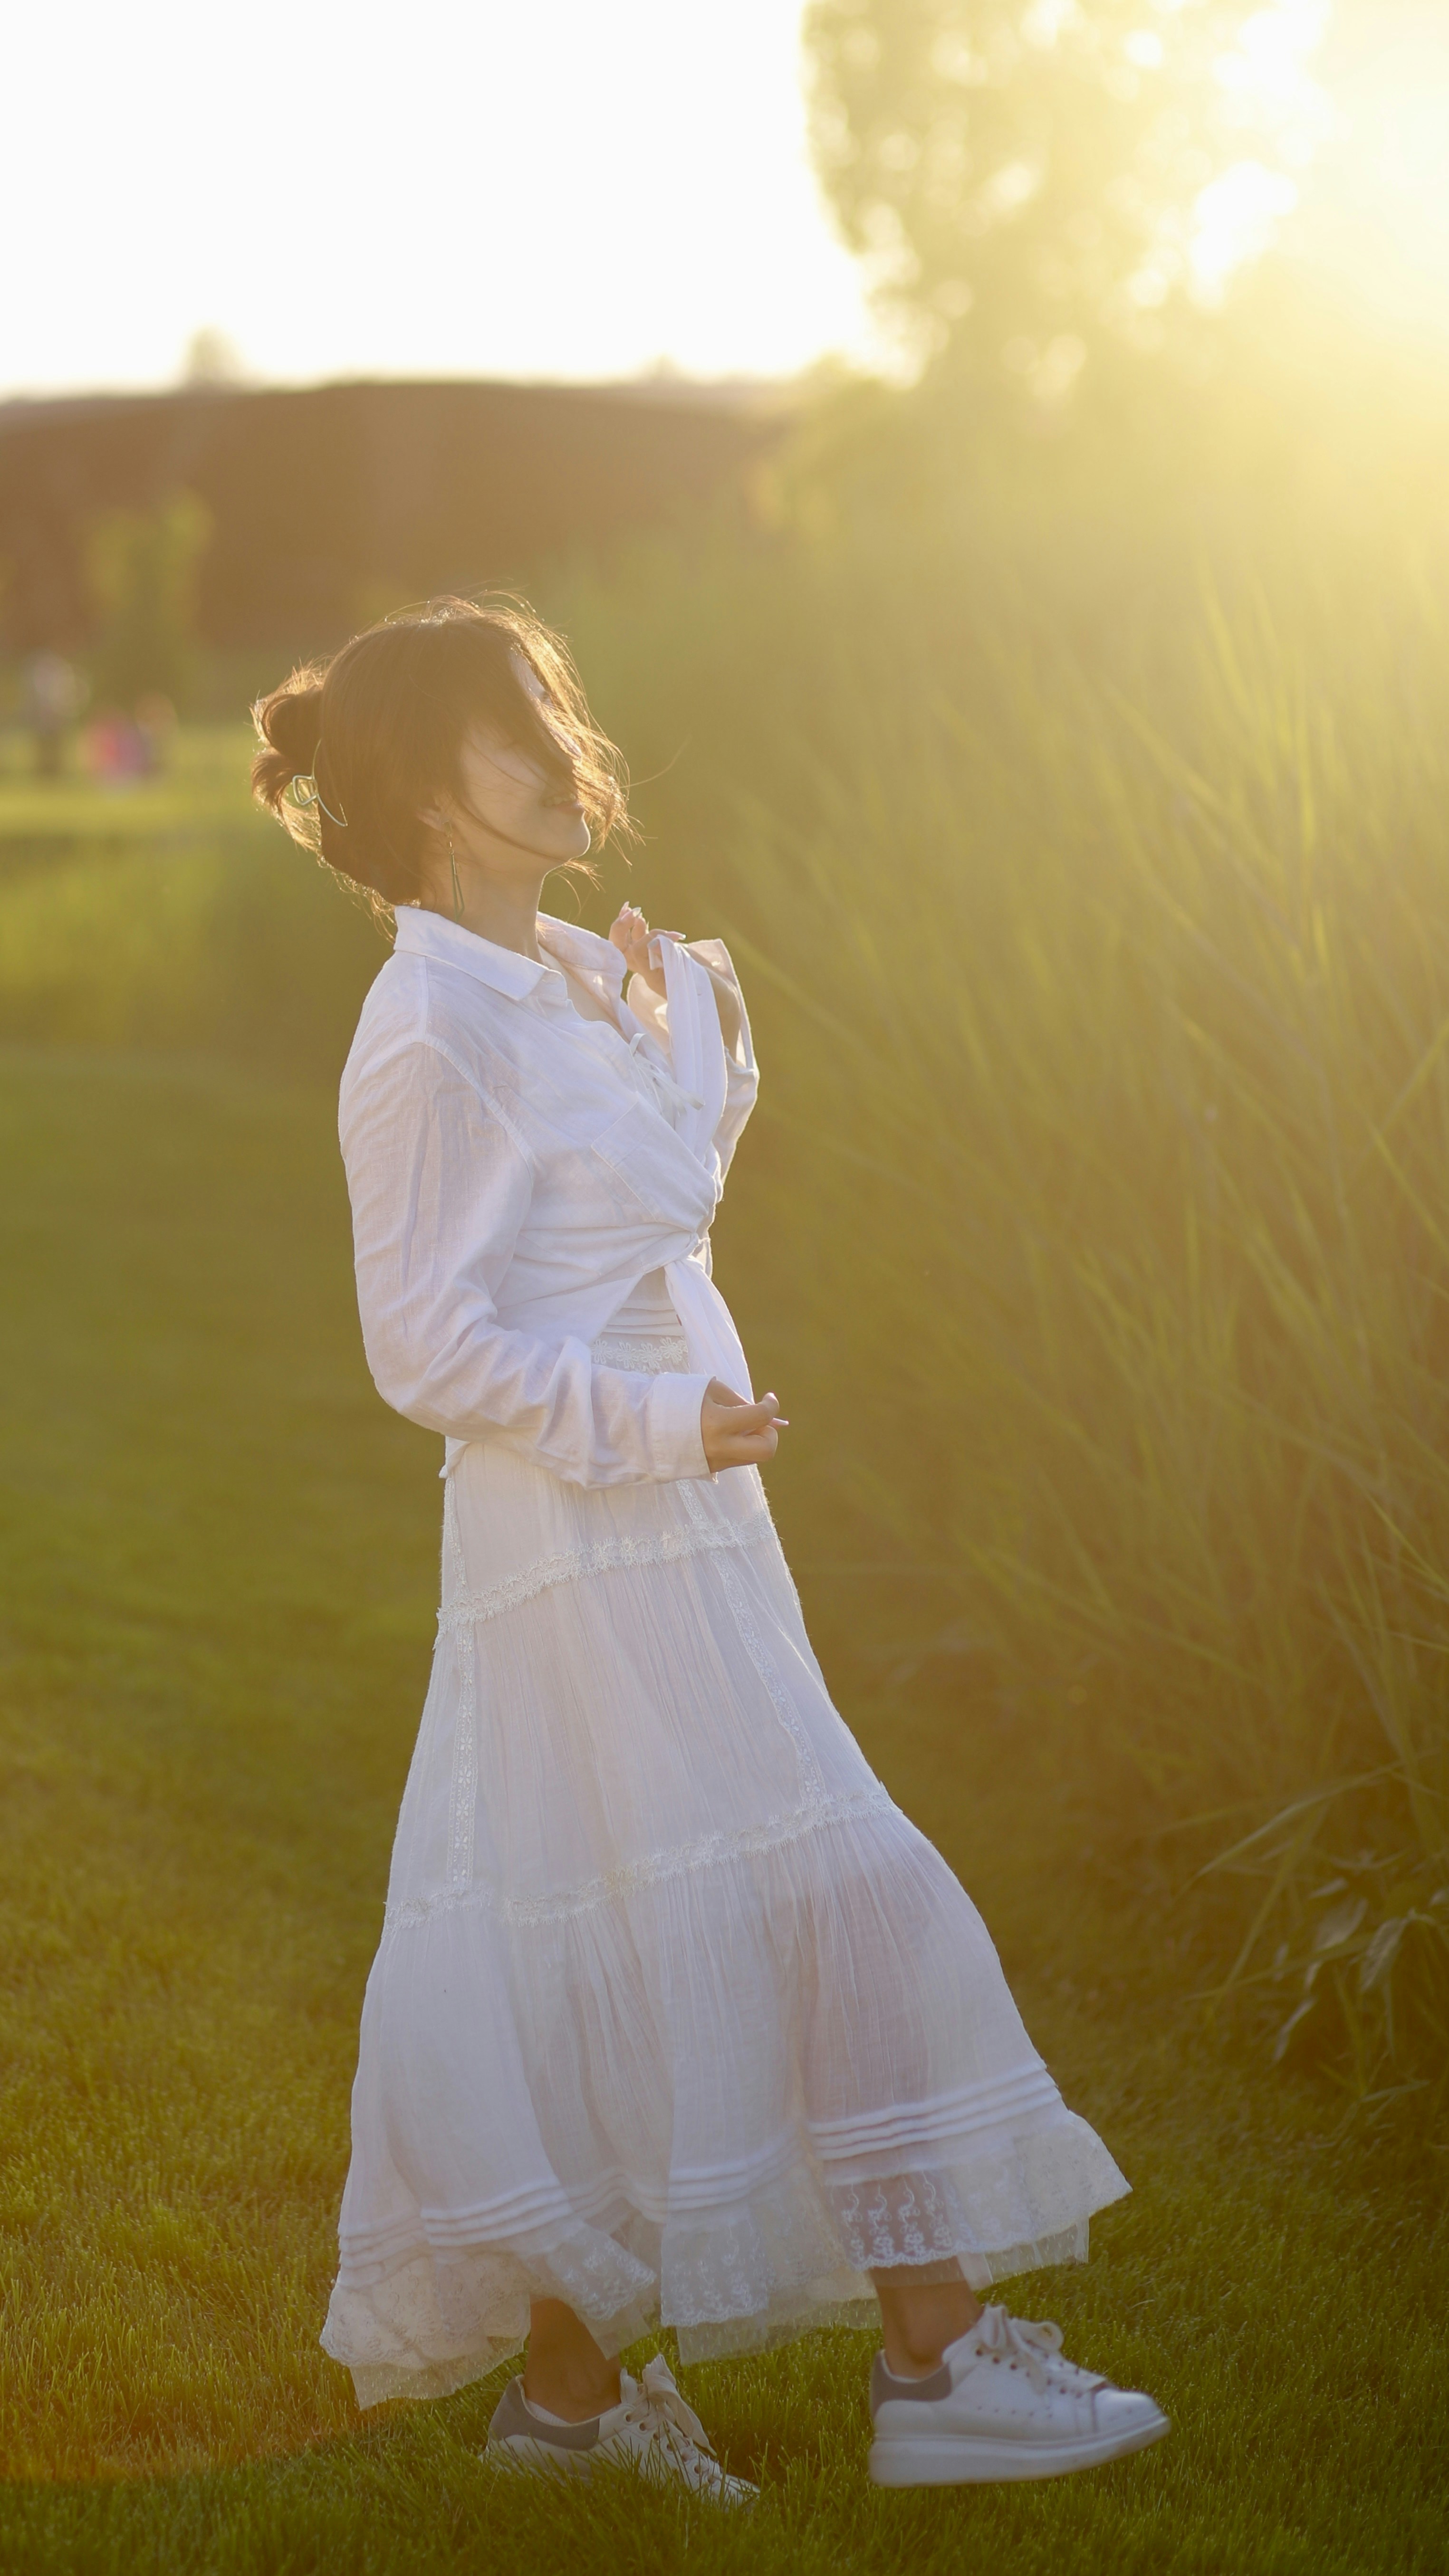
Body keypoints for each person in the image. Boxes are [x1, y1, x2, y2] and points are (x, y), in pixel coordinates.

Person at [251, 597, 1167, 2501]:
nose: (569, 758)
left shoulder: (572, 970)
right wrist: (652, 1424)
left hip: (688, 1525)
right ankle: (938, 2371)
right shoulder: (424, 1022)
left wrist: (688, 1047)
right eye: (517, 734)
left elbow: (653, 1216)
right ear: (425, 787)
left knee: (657, 1914)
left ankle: (569, 2410)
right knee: (830, 1890)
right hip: (586, 1532)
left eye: (561, 719)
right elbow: (420, 1340)